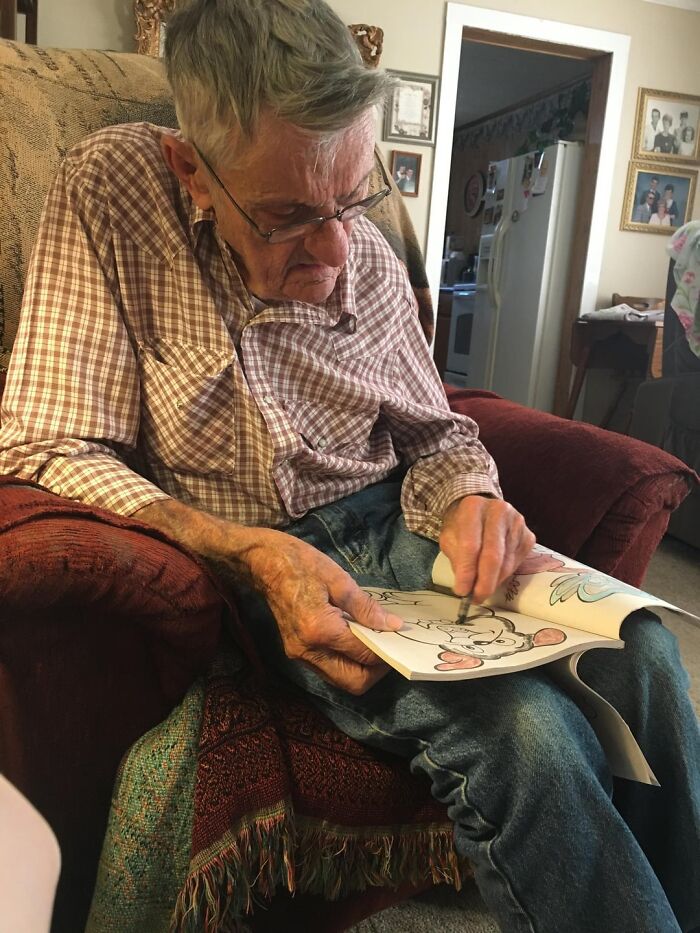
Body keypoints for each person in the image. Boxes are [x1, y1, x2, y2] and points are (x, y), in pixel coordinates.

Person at [0, 2, 698, 932]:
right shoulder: (116, 189)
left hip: (394, 519)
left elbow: (438, 432)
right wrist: (241, 551)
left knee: (643, 648)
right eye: (288, 215)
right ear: (192, 171)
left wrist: (470, 499)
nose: (338, 252)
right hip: (262, 549)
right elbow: (44, 442)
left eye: (354, 199)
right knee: (531, 739)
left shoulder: (357, 246)